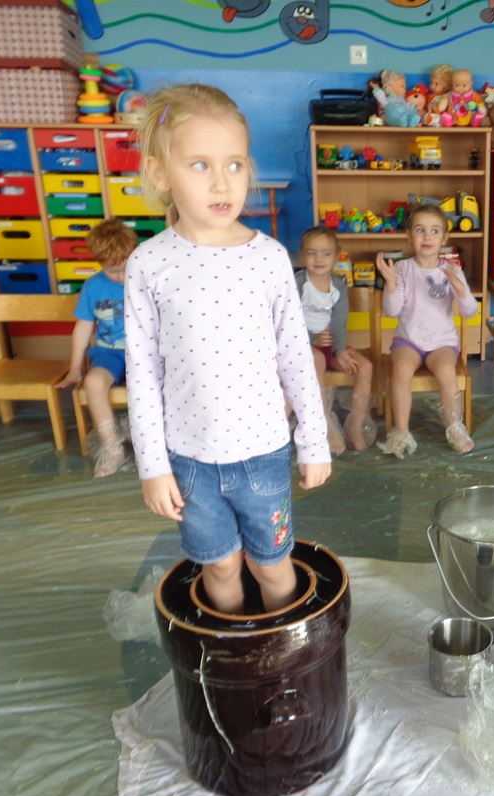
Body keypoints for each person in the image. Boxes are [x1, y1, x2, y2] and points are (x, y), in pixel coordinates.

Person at [125, 83, 330, 616]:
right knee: (218, 567)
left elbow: (296, 358)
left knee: (272, 566)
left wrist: (314, 441)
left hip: (263, 454)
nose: (222, 182)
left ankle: (281, 651)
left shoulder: (269, 258)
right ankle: (234, 648)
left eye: (235, 165)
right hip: (189, 461)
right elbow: (142, 373)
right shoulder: (148, 263)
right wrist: (152, 465)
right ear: (159, 173)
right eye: (200, 165)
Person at [375, 204, 477, 457]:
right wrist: (390, 284)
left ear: (444, 238)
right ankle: (400, 431)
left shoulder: (452, 270)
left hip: (441, 343)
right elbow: (392, 311)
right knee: (401, 369)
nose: (427, 236)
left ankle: (454, 427)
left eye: (434, 231)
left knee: (445, 371)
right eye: (420, 230)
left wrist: (461, 289)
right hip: (408, 341)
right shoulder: (402, 269)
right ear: (409, 236)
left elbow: (470, 312)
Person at [55, 219, 138, 477]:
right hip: (108, 353)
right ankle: (112, 447)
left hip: (143, 353)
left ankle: (155, 444)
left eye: (125, 268)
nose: (121, 277)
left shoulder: (147, 280)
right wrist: (74, 369)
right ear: (100, 263)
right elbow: (83, 327)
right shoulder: (93, 287)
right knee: (92, 383)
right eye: (113, 271)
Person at [294, 225, 376, 454]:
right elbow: (288, 322)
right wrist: (312, 337)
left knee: (365, 367)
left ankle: (355, 427)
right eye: (312, 253)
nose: (319, 259)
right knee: (317, 360)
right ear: (302, 256)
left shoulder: (338, 285)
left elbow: (339, 323)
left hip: (332, 345)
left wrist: (340, 352)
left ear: (337, 256)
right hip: (303, 346)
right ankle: (324, 425)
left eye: (326, 253)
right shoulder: (297, 283)